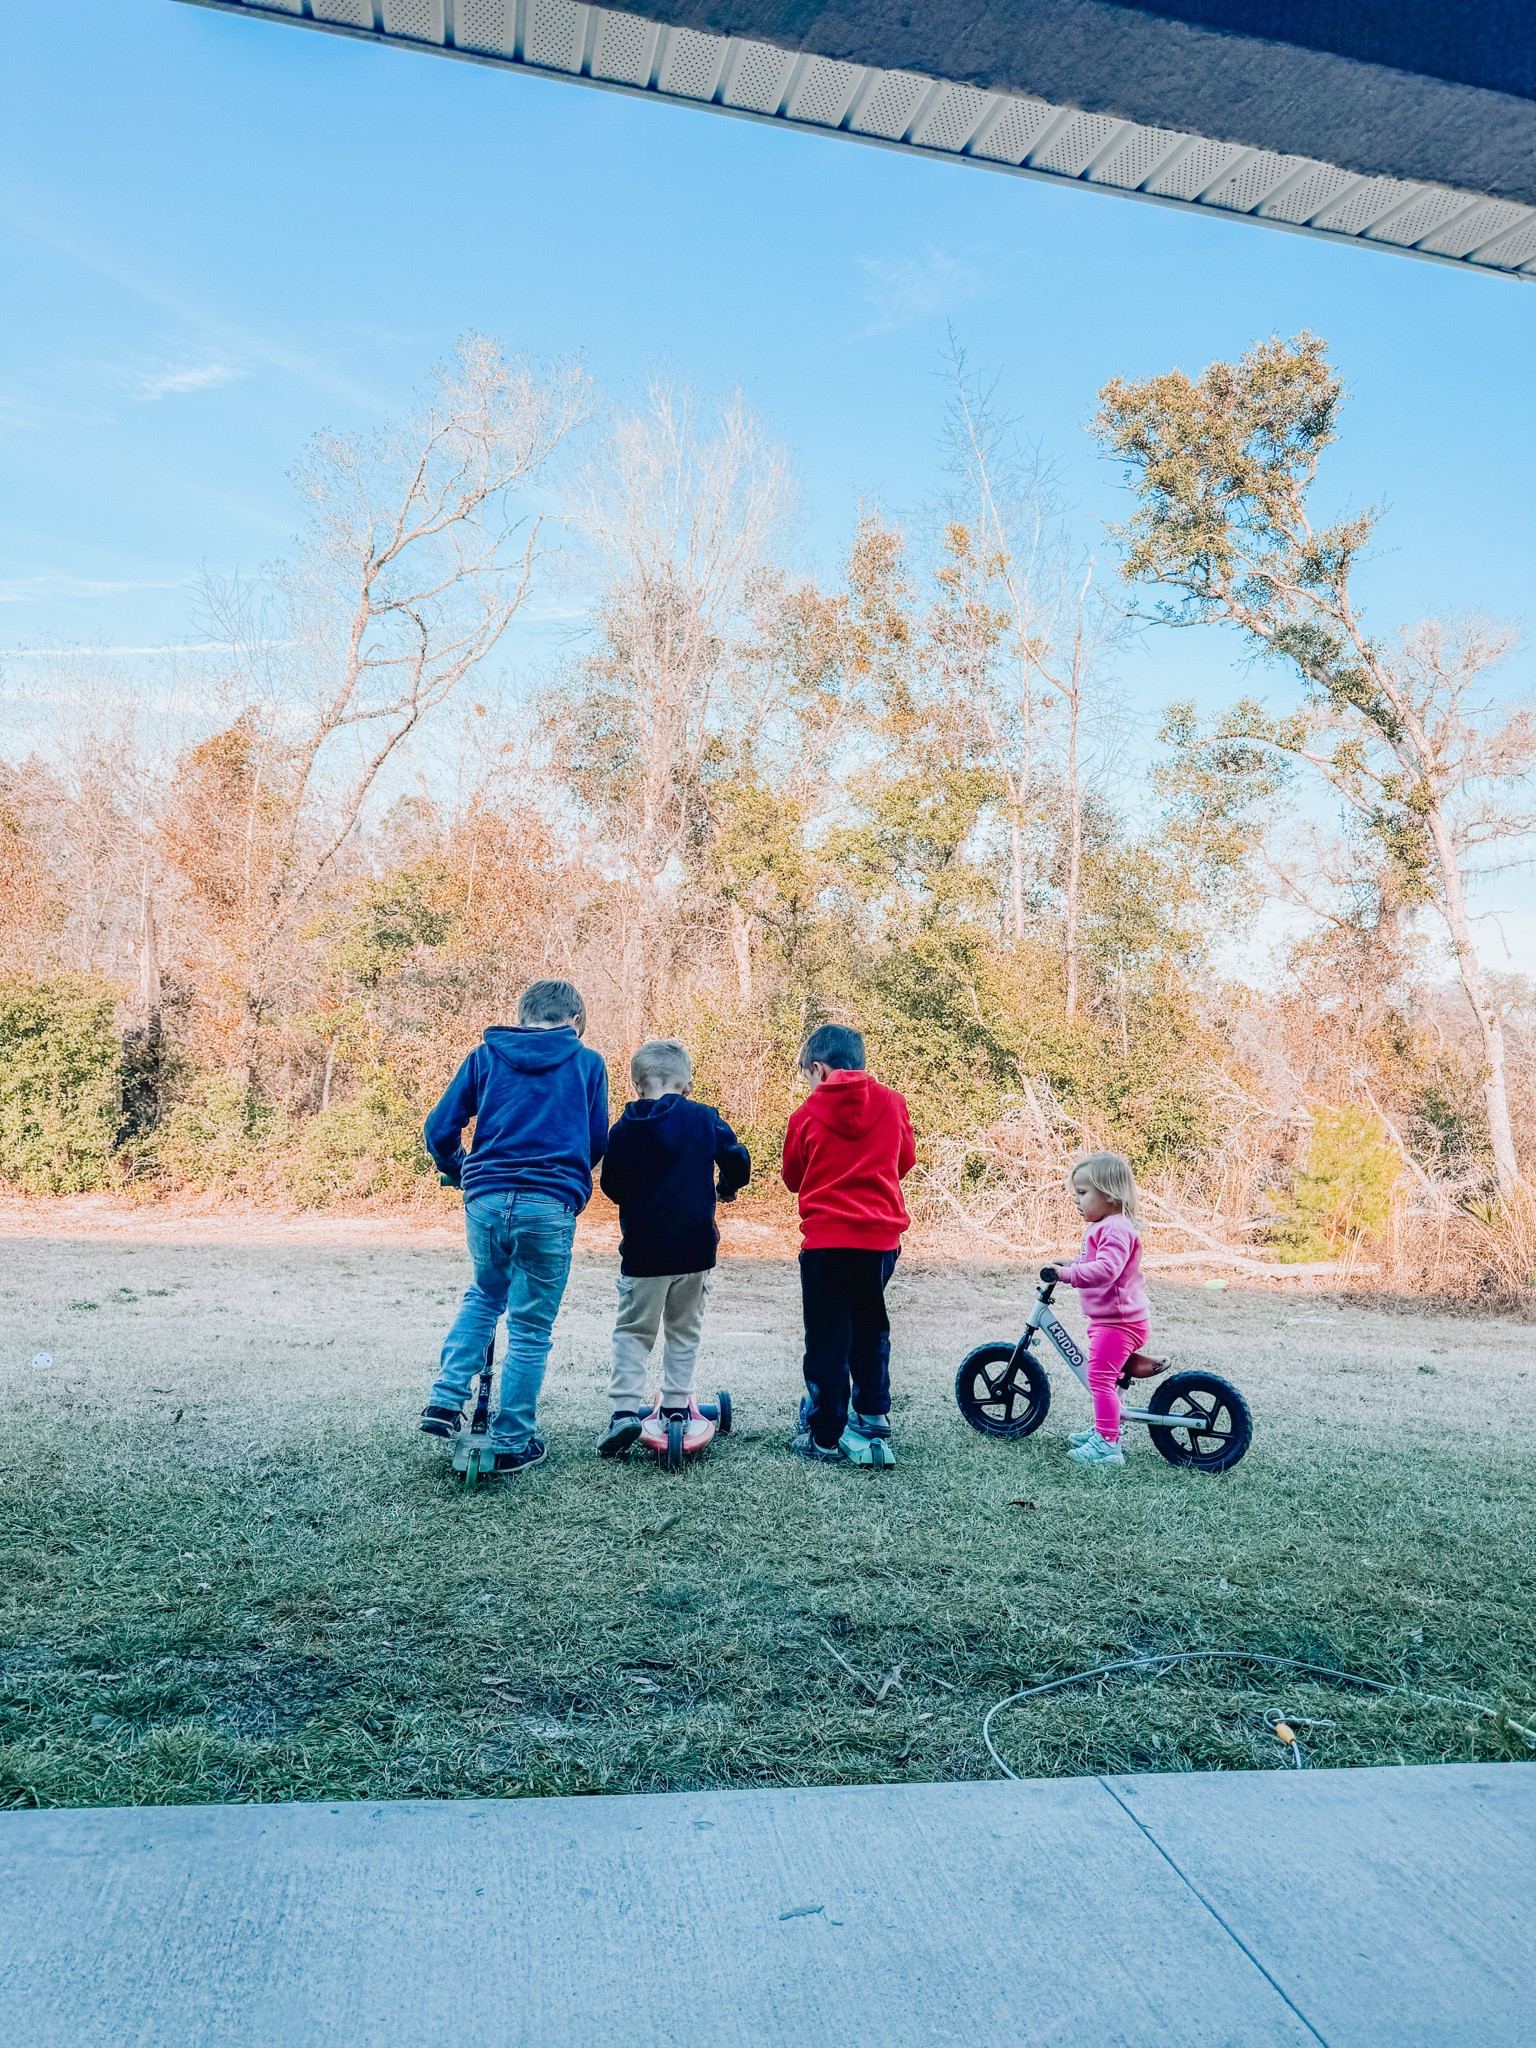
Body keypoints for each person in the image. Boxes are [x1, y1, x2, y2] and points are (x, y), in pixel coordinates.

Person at [418, 979, 608, 1474]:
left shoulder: (485, 1057)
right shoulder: (587, 1063)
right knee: (529, 1328)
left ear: (522, 1017)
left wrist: (460, 1166)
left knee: (484, 1296)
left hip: (485, 1198)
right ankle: (511, 1441)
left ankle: (444, 1400)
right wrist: (567, 1181)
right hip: (549, 1206)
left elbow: (439, 1128)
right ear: (576, 1022)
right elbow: (596, 1141)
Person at [594, 1039, 751, 1458]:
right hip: (694, 1249)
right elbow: (738, 1158)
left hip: (644, 1252)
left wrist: (636, 1195)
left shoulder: (624, 1128)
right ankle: (678, 1408)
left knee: (633, 1331)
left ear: (637, 1086)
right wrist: (726, 1188)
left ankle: (624, 1412)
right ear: (687, 1086)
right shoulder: (704, 1118)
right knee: (684, 1330)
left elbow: (610, 1185)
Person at [781, 1023, 915, 1462]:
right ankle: (873, 1413)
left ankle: (824, 1433)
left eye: (807, 1075)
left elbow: (793, 1178)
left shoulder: (804, 1116)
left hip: (826, 1243)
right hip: (879, 1241)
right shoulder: (893, 1104)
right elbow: (905, 1160)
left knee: (827, 1337)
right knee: (870, 1326)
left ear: (819, 1069)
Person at [1042, 1151, 1151, 1469]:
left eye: (1083, 1193)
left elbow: (1106, 1270)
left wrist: (1067, 1275)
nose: (1076, 1200)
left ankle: (1107, 1445)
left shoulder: (1116, 1229)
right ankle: (1107, 1427)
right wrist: (1072, 1264)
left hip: (1119, 1323)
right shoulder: (1107, 1225)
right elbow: (1093, 1262)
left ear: (1111, 1195)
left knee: (1100, 1378)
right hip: (1114, 1319)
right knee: (1109, 1378)